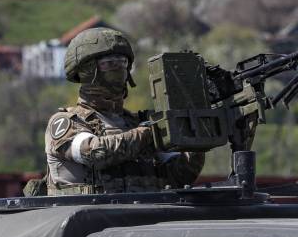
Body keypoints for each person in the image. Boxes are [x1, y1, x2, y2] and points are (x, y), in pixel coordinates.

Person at [44, 27, 205, 195]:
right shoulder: (67, 122)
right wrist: (148, 133)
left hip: (147, 210)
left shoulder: (136, 122)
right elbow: (94, 153)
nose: (118, 69)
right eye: (109, 64)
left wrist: (194, 139)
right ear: (87, 70)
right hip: (90, 211)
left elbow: (178, 176)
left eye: (122, 63)